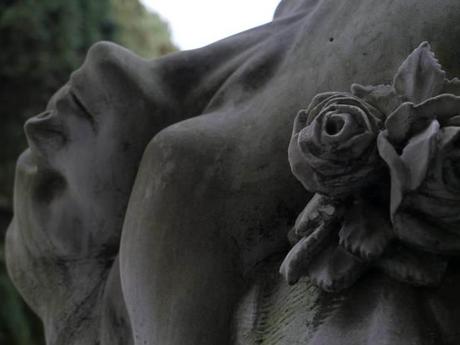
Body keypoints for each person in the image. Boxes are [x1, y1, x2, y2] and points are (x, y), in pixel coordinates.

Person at [7, 0, 460, 344]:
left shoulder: (293, 11)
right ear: (120, 265)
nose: (36, 131)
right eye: (50, 192)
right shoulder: (182, 170)